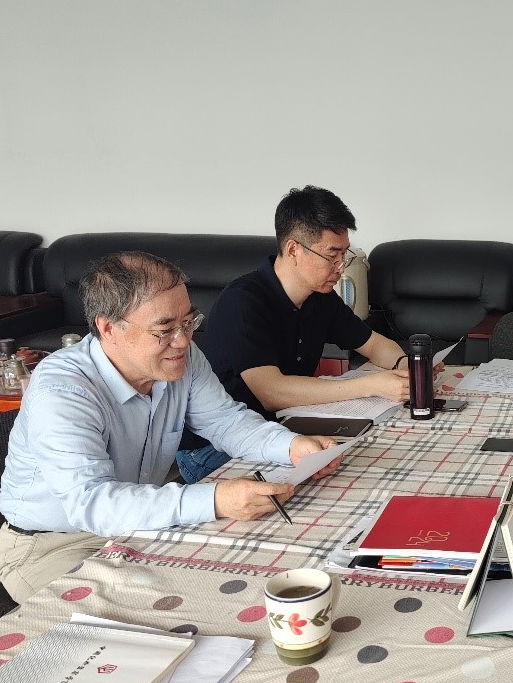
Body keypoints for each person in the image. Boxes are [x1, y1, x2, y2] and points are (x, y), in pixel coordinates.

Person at [0, 251, 343, 603]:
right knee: (146, 613)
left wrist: (291, 446)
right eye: (164, 331)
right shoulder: (64, 391)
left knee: (246, 578)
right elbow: (94, 504)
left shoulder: (180, 357)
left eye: (188, 323)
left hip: (137, 526)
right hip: (52, 545)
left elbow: (226, 422)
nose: (182, 341)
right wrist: (216, 499)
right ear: (108, 328)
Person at [175, 186, 411, 483]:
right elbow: (271, 392)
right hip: (211, 448)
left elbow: (374, 344)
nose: (340, 268)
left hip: (280, 428)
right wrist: (371, 385)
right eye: (332, 255)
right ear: (293, 250)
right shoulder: (243, 302)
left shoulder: (320, 297)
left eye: (344, 254)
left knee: (372, 458)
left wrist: (407, 367)